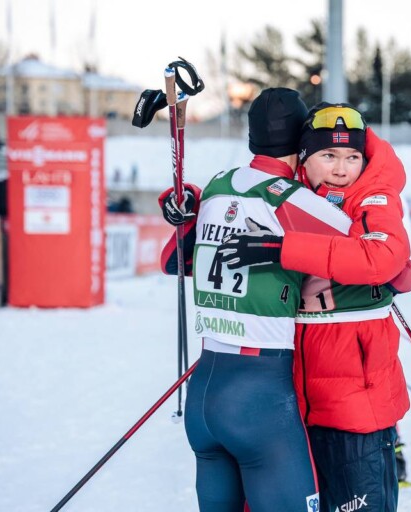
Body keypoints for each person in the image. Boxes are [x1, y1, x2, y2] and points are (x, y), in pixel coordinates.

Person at [158, 88, 357, 512]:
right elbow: (378, 260)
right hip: (259, 394)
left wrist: (186, 210)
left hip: (206, 388)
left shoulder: (216, 186)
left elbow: (173, 261)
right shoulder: (291, 200)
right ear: (302, 143)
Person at [219, 103, 411, 511]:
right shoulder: (292, 194)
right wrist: (190, 210)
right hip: (293, 397)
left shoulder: (374, 194)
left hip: (354, 400)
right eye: (329, 156)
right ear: (304, 159)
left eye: (352, 157)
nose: (342, 169)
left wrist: (283, 249)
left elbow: (390, 263)